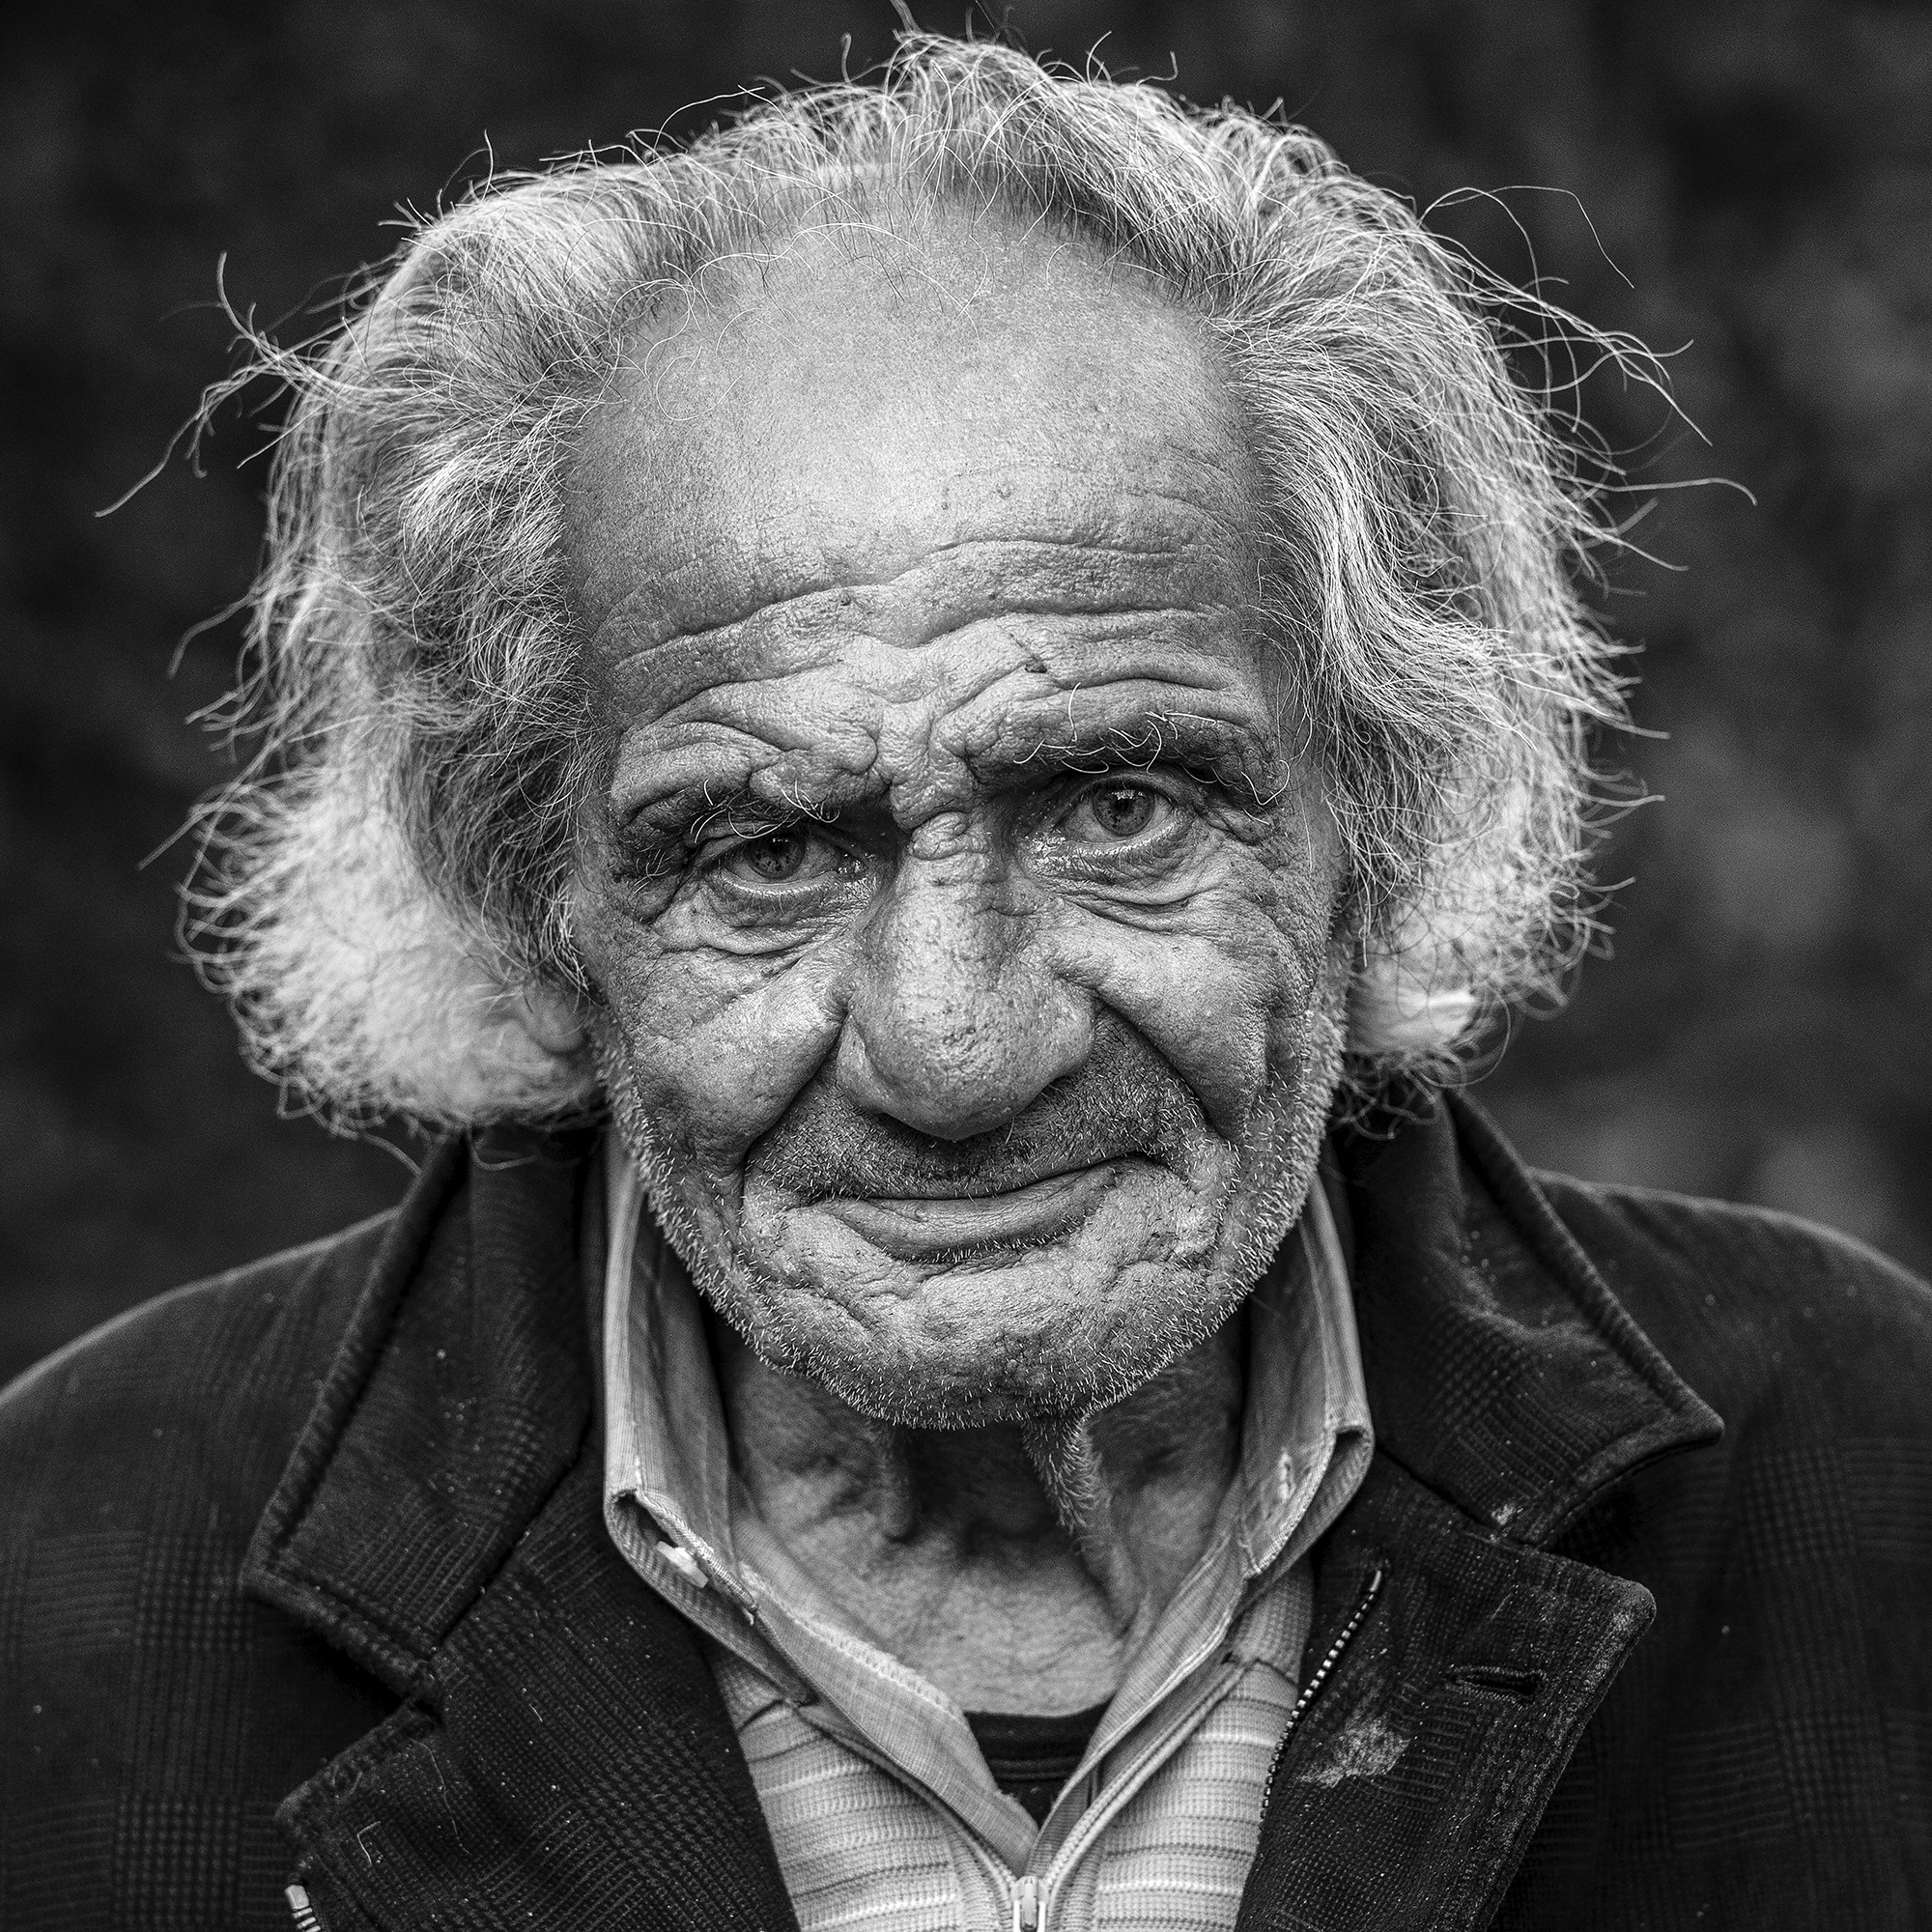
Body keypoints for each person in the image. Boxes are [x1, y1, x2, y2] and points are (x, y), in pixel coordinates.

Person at [3, 34, 1926, 1932]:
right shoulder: (68, 1584)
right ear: (535, 914)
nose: (954, 1041)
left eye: (1112, 804)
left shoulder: (1864, 1475)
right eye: (764, 851)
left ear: (1377, 823)